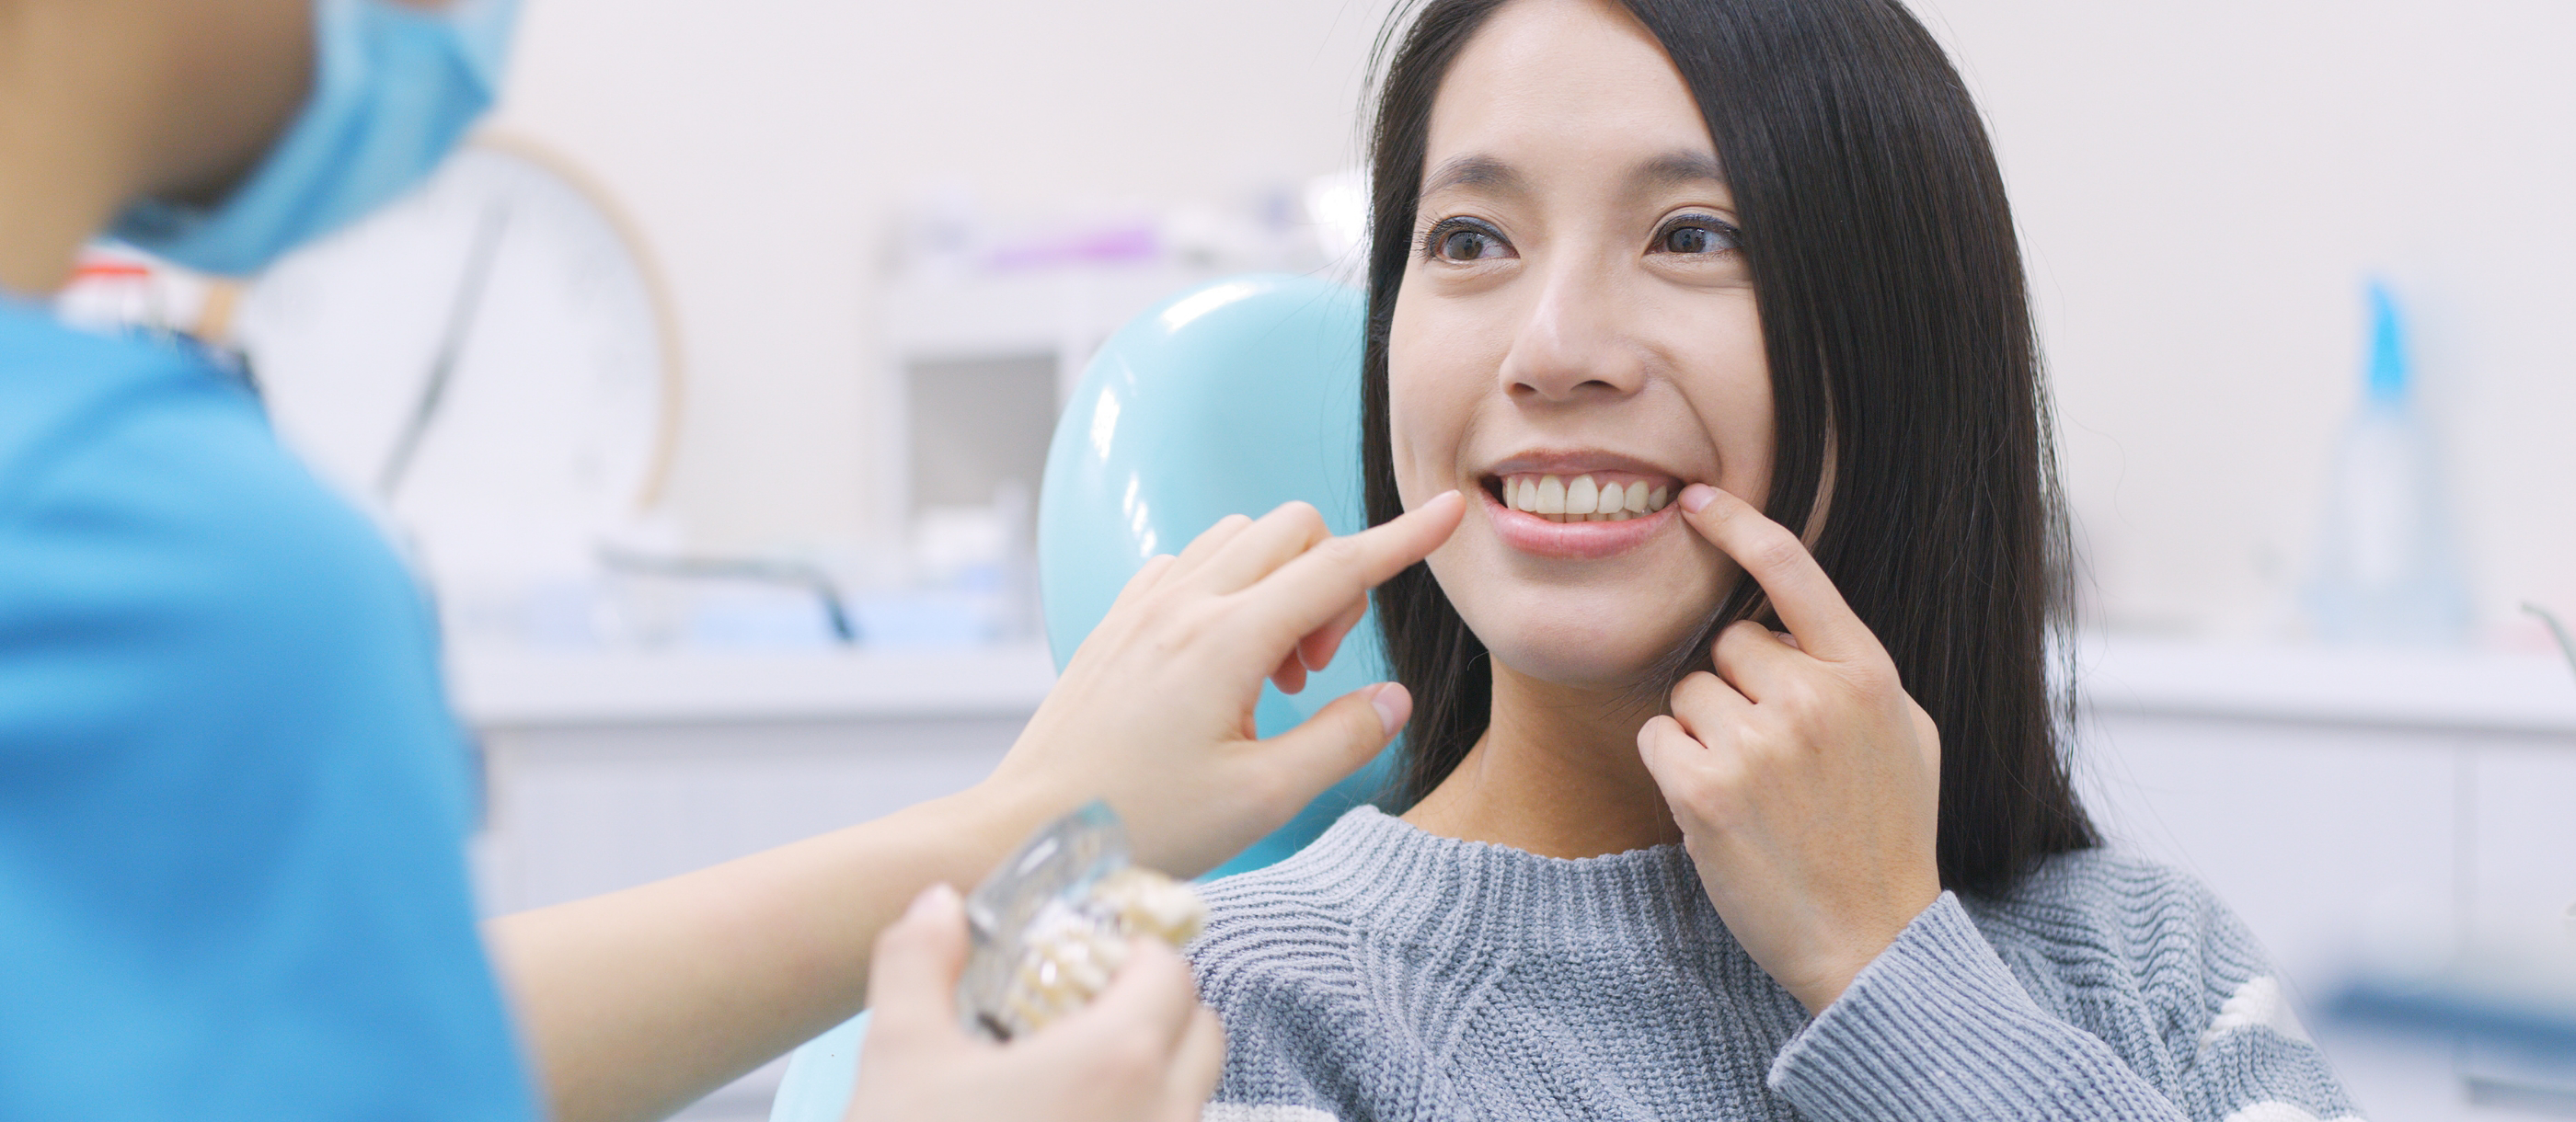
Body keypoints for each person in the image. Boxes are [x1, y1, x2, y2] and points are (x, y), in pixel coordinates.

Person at [0, 1, 1467, 1119]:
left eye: (1689, 233)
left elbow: (345, 1024)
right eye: (1468, 241)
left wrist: (1027, 822)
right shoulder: (176, 582)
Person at [1184, 1, 2363, 1119]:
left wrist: (1893, 976)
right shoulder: (1228, 1014)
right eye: (1470, 239)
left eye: (1693, 234)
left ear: (1902, 338)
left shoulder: (2147, 962)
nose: (1553, 350)